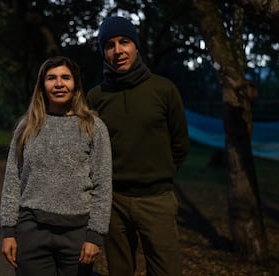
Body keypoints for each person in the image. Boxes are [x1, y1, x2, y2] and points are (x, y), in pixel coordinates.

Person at [86, 16, 190, 276]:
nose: (118, 50)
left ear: (136, 46)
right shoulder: (95, 97)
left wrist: (158, 176)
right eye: (109, 45)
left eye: (124, 42)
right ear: (103, 52)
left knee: (167, 270)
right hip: (113, 201)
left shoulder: (163, 90)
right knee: (120, 271)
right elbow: (90, 149)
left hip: (156, 199)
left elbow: (180, 143)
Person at [0, 56, 112, 276]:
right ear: (42, 85)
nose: (59, 84)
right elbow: (12, 179)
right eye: (51, 78)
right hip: (31, 231)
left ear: (76, 84)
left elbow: (103, 184)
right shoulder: (28, 126)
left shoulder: (93, 127)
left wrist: (95, 235)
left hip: (77, 235)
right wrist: (8, 231)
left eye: (65, 78)